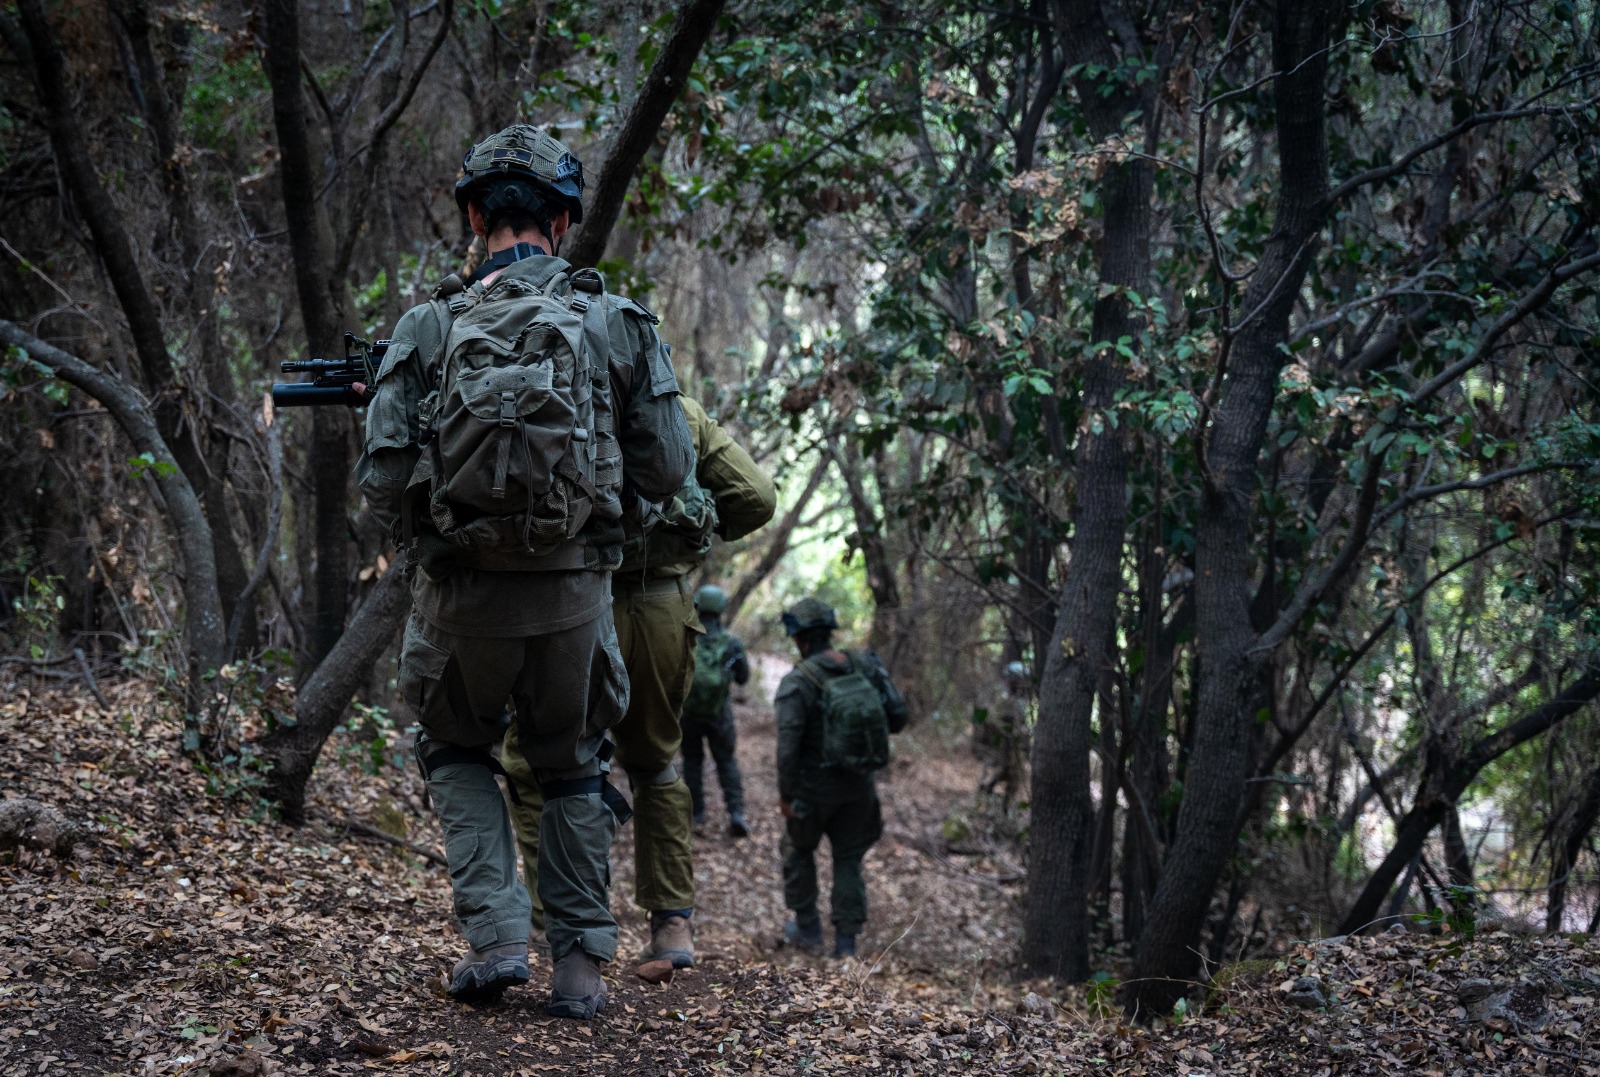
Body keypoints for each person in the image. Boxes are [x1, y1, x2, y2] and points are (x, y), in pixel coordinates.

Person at [355, 124, 694, 1019]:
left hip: (461, 599)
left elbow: (382, 486)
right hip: (575, 600)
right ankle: (580, 966)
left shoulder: (427, 325)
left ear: (474, 216)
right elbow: (667, 469)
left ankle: (498, 938)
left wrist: (437, 522)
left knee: (457, 748)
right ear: (566, 219)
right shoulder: (617, 323)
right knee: (572, 764)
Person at [502, 396, 774, 977]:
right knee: (655, 764)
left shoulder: (545, 399)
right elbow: (757, 498)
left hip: (567, 605)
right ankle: (672, 924)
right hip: (658, 606)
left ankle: (561, 922)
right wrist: (687, 537)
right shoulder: (677, 411)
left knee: (536, 765)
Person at [774, 597, 908, 959]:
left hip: (812, 791)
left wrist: (786, 796)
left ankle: (807, 928)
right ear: (829, 633)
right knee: (848, 859)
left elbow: (787, 751)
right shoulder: (863, 665)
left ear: (799, 638)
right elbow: (897, 718)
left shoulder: (797, 682)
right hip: (859, 785)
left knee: (798, 851)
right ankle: (846, 944)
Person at [680, 583, 752, 837]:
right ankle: (736, 813)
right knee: (726, 762)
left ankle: (696, 813)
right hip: (720, 714)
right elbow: (743, 678)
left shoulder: (686, 638)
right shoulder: (731, 643)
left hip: (688, 714)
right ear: (721, 610)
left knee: (692, 762)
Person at [975, 660, 1032, 810]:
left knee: (1011, 778)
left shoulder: (1020, 702)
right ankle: (992, 802)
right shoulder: (1005, 699)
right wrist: (1009, 732)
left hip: (1014, 749)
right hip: (1006, 747)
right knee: (1008, 775)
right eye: (1018, 680)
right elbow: (992, 720)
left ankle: (1002, 807)